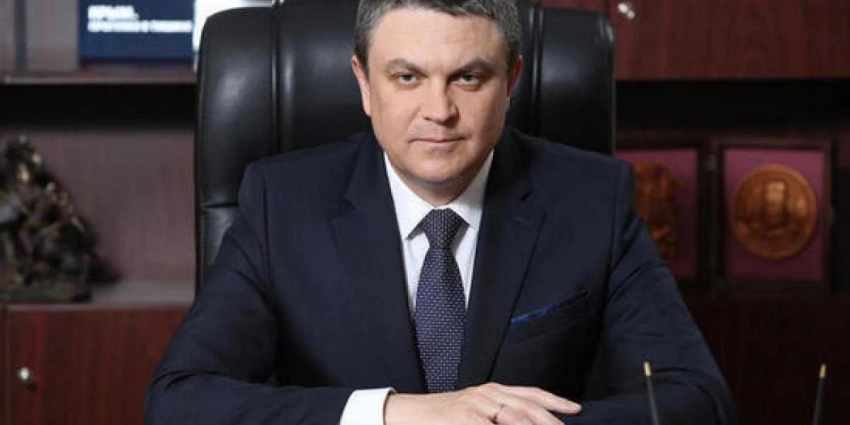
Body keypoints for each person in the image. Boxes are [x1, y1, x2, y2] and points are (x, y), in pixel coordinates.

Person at [145, 0, 736, 423]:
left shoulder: (592, 199)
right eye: (407, 77)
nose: (439, 111)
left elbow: (697, 400)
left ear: (511, 81)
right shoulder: (283, 204)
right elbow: (179, 400)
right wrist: (393, 413)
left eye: (468, 78)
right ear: (364, 84)